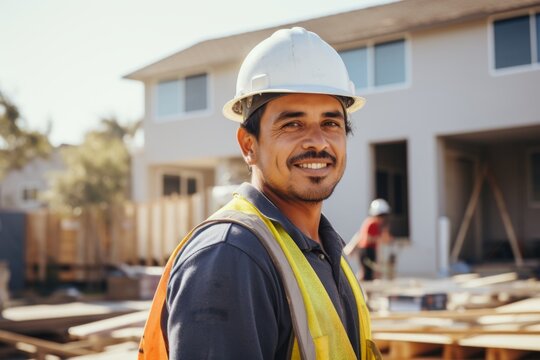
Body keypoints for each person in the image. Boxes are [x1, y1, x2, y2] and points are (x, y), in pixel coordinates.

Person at [139, 27, 381, 360]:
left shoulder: (326, 251)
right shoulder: (230, 257)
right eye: (292, 124)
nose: (318, 141)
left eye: (330, 123)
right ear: (248, 145)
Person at [354, 199, 393, 281]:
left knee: (368, 274)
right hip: (367, 251)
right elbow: (368, 239)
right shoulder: (372, 223)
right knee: (367, 276)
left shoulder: (374, 223)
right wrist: (380, 239)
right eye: (381, 216)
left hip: (369, 251)